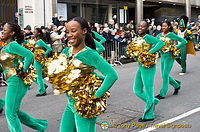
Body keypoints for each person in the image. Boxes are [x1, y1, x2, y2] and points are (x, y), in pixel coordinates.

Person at [57, 17, 118, 131]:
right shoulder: (66, 51)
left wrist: (97, 94)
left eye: (73, 31)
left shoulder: (90, 54)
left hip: (84, 104)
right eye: (67, 32)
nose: (69, 35)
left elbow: (112, 75)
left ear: (84, 31)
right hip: (70, 103)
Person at [1, 22, 47, 131]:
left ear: (12, 33)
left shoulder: (13, 45)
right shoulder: (6, 46)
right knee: (14, 111)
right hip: (13, 81)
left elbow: (29, 55)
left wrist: (23, 70)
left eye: (4, 29)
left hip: (16, 81)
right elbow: (4, 65)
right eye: (2, 29)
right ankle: (40, 126)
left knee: (10, 113)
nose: (2, 31)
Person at [128, 21, 164, 122]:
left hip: (148, 67)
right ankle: (153, 101)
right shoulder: (137, 38)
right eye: (139, 26)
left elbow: (161, 43)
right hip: (141, 66)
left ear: (147, 28)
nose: (140, 28)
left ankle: (149, 115)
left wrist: (150, 52)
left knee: (148, 91)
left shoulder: (148, 37)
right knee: (137, 90)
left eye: (143, 26)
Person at [155, 21, 187, 100]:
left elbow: (184, 41)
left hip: (170, 57)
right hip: (162, 56)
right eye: (162, 26)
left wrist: (176, 47)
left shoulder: (172, 35)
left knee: (165, 75)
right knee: (163, 75)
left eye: (165, 26)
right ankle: (176, 85)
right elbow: (154, 43)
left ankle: (162, 94)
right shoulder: (159, 35)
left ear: (169, 27)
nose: (163, 28)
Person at [33, 28, 52, 96]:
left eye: (34, 32)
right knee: (33, 76)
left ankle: (42, 91)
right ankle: (43, 85)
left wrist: (43, 55)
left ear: (38, 33)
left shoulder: (40, 41)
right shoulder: (34, 41)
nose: (33, 33)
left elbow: (49, 49)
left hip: (38, 61)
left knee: (38, 76)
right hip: (35, 60)